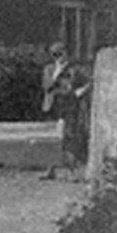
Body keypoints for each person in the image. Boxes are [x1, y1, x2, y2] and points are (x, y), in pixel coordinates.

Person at [41, 42, 90, 179]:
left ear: (66, 53)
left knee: (67, 137)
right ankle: (50, 169)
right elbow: (47, 86)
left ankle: (71, 171)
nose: (58, 57)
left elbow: (89, 82)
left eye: (60, 53)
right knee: (52, 138)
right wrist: (57, 72)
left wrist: (79, 91)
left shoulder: (74, 70)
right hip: (52, 107)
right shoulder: (49, 69)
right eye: (55, 55)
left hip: (67, 107)